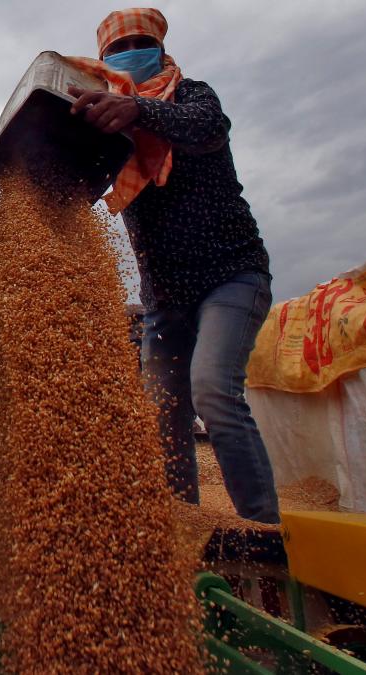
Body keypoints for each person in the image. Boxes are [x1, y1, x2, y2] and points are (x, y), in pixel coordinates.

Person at [68, 8, 280, 523]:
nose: (130, 54)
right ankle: (181, 528)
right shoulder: (109, 126)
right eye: (117, 49)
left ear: (161, 48)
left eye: (140, 43)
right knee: (164, 417)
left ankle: (265, 529)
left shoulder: (191, 97)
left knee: (214, 393)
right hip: (164, 297)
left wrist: (137, 110)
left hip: (230, 275)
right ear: (102, 59)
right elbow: (80, 179)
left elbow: (206, 128)